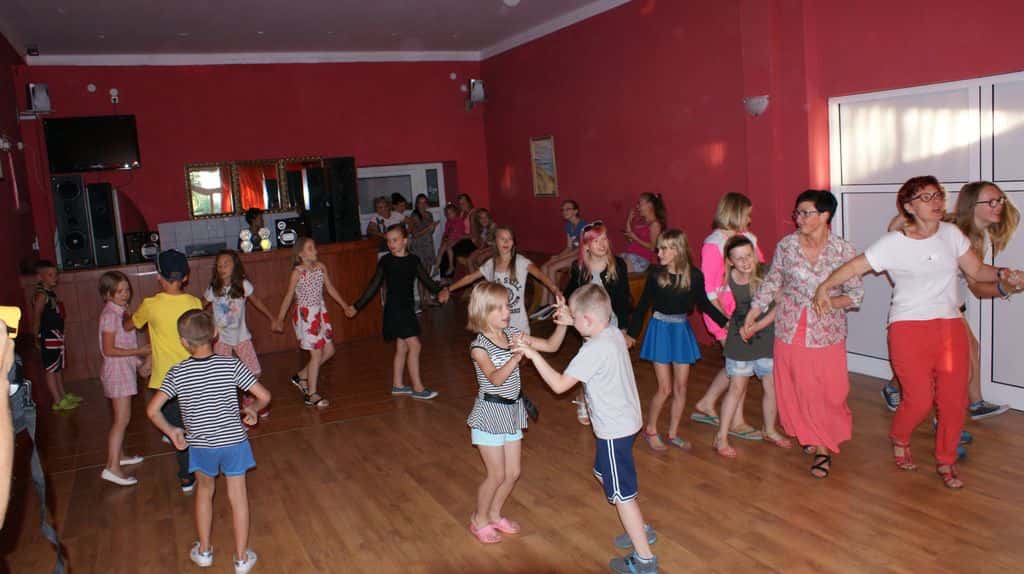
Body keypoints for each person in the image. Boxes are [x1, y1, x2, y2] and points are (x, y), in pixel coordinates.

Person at [813, 176, 1023, 489]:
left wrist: (1004, 273)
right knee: (920, 400)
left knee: (953, 400)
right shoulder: (893, 243)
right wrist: (825, 286)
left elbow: (977, 270)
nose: (936, 201)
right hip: (908, 328)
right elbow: (855, 266)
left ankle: (946, 460)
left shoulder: (951, 234)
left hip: (949, 325)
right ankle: (900, 436)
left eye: (938, 195)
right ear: (909, 207)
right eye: (926, 197)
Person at [519, 285, 659, 574]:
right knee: (602, 472)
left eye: (575, 316)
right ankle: (640, 528)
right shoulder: (613, 333)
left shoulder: (592, 350)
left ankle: (645, 559)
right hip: (627, 421)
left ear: (588, 320)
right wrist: (573, 320)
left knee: (621, 495)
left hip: (614, 429)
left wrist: (532, 354)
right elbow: (591, 325)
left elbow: (559, 385)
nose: (571, 319)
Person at [744, 190, 863, 479]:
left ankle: (821, 433)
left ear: (825, 216)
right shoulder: (787, 246)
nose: (799, 218)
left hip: (827, 331)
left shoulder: (843, 250)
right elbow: (772, 282)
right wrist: (753, 312)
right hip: (790, 327)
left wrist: (829, 302)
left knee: (830, 390)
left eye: (805, 213)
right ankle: (819, 443)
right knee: (798, 386)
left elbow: (856, 295)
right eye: (797, 213)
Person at [881, 181, 1020, 421]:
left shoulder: (980, 237)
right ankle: (944, 418)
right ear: (972, 205)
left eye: (1000, 200)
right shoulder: (951, 230)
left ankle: (973, 403)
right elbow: (978, 286)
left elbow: (976, 280)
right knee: (949, 364)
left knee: (966, 352)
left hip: (950, 305)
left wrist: (1006, 281)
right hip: (926, 305)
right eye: (990, 201)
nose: (998, 206)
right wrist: (1005, 286)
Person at [146, 309, 270, 573]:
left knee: (204, 492)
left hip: (202, 446)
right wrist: (253, 409)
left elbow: (152, 410)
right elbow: (264, 396)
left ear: (183, 341)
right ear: (215, 333)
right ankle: (241, 559)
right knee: (238, 497)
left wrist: (172, 431)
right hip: (234, 442)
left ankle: (204, 552)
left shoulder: (177, 372)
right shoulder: (231, 365)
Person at [464, 282, 568, 544]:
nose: (506, 312)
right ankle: (479, 519)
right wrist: (516, 357)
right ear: (482, 312)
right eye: (498, 308)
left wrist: (563, 324)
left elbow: (551, 346)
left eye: (507, 306)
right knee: (496, 474)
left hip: (512, 411)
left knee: (512, 473)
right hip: (489, 414)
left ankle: (495, 514)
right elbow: (495, 379)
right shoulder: (479, 347)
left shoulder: (512, 333)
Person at [627, 229, 728, 452]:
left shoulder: (694, 276)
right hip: (660, 330)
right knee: (665, 388)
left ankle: (673, 433)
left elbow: (705, 305)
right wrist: (631, 335)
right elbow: (643, 306)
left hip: (681, 331)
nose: (659, 253)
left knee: (681, 387)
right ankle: (650, 429)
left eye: (664, 249)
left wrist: (726, 322)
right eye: (659, 248)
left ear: (677, 250)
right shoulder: (655, 274)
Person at [130, 249, 205, 492]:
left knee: (178, 430)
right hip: (193, 377)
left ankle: (186, 476)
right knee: (193, 424)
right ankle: (200, 466)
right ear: (186, 277)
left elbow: (132, 324)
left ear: (158, 277)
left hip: (165, 381)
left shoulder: (150, 305)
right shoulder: (194, 303)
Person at [692, 192, 765, 438]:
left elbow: (758, 268)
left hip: (744, 309)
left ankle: (707, 402)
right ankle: (736, 421)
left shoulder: (746, 238)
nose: (750, 219)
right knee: (740, 365)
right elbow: (709, 290)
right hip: (722, 313)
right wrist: (726, 320)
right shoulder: (713, 244)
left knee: (736, 364)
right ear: (735, 213)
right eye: (747, 214)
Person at [348, 225, 450, 398]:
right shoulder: (386, 261)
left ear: (405, 241)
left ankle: (397, 385)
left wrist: (440, 290)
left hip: (407, 308)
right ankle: (418, 388)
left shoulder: (413, 260)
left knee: (402, 347)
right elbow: (374, 285)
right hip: (395, 309)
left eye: (395, 240)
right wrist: (357, 306)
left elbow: (426, 280)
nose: (391, 244)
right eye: (388, 241)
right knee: (415, 345)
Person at [712, 236, 791, 457]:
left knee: (771, 386)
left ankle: (770, 429)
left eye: (749, 255)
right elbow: (714, 302)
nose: (746, 262)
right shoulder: (726, 280)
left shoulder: (767, 274)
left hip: (766, 336)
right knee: (736, 387)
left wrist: (757, 326)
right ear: (730, 261)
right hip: (741, 339)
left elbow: (779, 304)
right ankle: (721, 436)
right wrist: (728, 325)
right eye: (739, 258)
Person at [561, 221, 634, 425]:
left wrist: (624, 330)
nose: (602, 244)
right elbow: (570, 293)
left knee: (613, 368)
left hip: (612, 324)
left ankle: (608, 403)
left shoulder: (617, 265)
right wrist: (567, 312)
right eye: (596, 241)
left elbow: (623, 299)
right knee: (590, 365)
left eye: (604, 239)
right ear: (586, 246)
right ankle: (584, 398)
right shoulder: (579, 267)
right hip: (589, 327)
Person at [272, 238, 352, 408]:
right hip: (306, 316)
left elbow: (330, 288)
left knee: (329, 351)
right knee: (316, 354)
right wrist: (279, 318)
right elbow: (288, 296)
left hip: (320, 313)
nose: (315, 250)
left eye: (314, 247)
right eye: (310, 248)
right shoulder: (297, 273)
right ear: (301, 254)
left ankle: (301, 375)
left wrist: (345, 306)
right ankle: (311, 394)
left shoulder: (321, 267)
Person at [447, 225, 560, 335]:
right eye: (502, 239)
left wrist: (555, 290)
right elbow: (470, 278)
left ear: (513, 242)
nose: (506, 242)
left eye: (509, 239)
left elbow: (540, 275)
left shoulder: (521, 262)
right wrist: (448, 289)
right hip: (497, 324)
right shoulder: (491, 264)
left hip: (518, 325)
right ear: (495, 242)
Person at [205, 250, 275, 421]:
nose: (222, 268)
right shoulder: (214, 289)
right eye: (219, 265)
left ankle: (250, 399)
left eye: (226, 264)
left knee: (255, 372)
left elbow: (257, 301)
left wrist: (272, 317)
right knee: (222, 376)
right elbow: (201, 305)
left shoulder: (243, 285)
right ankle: (226, 409)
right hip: (221, 339)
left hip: (241, 337)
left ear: (235, 266)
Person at [97, 271, 151, 486]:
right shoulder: (111, 315)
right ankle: (112, 467)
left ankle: (119, 456)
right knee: (122, 420)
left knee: (121, 419)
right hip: (117, 371)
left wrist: (138, 363)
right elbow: (109, 349)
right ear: (107, 294)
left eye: (126, 289)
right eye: (119, 291)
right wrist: (140, 352)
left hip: (123, 368)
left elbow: (124, 344)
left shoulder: (120, 312)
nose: (125, 294)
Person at [31, 260, 81, 411]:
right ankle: (57, 400)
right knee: (51, 368)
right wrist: (36, 337)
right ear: (40, 277)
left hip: (56, 334)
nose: (55, 278)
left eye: (55, 274)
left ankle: (62, 395)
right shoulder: (41, 295)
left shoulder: (50, 293)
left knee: (57, 366)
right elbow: (37, 317)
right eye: (50, 275)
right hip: (48, 336)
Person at [539, 200, 587, 306]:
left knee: (552, 268)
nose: (564, 212)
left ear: (575, 211)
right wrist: (559, 256)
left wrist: (559, 258)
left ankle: (554, 303)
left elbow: (580, 249)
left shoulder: (583, 225)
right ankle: (544, 303)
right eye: (563, 210)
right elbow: (569, 247)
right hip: (573, 254)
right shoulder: (568, 225)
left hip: (583, 256)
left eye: (568, 209)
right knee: (544, 267)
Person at [408, 193, 440, 307]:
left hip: (428, 245)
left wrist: (433, 228)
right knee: (421, 275)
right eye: (420, 202)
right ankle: (422, 300)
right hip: (418, 247)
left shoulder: (429, 215)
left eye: (424, 202)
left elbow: (431, 232)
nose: (422, 205)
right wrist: (429, 228)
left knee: (427, 275)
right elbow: (414, 234)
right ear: (416, 204)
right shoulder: (413, 216)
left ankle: (428, 298)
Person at [621, 193, 665, 273]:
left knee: (620, 270)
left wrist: (635, 238)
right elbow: (631, 240)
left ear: (649, 205)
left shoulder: (655, 224)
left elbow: (653, 247)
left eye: (640, 204)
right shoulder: (641, 221)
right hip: (630, 255)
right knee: (608, 263)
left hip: (640, 260)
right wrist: (629, 220)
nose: (637, 207)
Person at [437, 203, 468, 278]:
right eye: (447, 214)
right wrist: (444, 238)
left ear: (455, 213)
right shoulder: (448, 222)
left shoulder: (459, 221)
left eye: (451, 213)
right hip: (449, 239)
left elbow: (458, 232)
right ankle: (436, 267)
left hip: (457, 239)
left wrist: (450, 239)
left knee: (448, 248)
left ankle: (451, 266)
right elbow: (446, 232)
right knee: (441, 249)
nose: (449, 215)